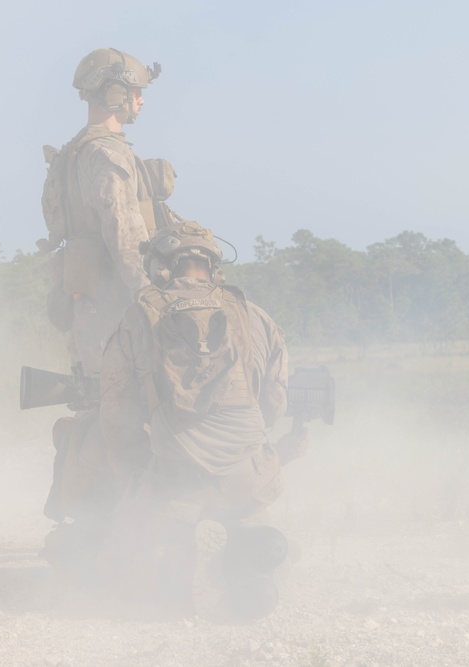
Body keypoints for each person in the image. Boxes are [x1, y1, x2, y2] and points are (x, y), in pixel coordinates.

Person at [98, 221, 308, 618]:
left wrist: (131, 475)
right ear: (213, 267)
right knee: (256, 527)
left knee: (137, 553)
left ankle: (174, 591)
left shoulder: (136, 318)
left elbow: (115, 416)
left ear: (159, 268)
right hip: (247, 477)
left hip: (175, 477)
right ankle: (248, 581)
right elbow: (275, 402)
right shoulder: (256, 316)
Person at [38, 48, 179, 573]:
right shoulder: (108, 155)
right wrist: (157, 304)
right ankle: (119, 533)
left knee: (101, 411)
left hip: (89, 312)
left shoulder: (74, 153)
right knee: (125, 417)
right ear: (117, 93)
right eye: (136, 91)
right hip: (120, 314)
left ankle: (90, 524)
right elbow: (126, 238)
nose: (141, 100)